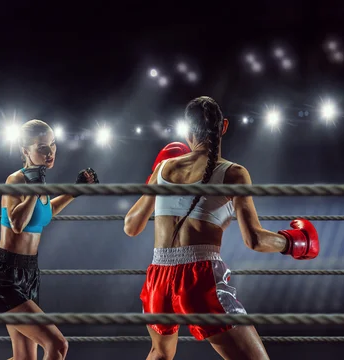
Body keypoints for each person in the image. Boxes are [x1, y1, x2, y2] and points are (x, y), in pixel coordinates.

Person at [124, 96, 319, 360]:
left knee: (160, 354)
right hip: (199, 278)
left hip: (158, 279)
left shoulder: (164, 167)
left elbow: (131, 226)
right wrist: (297, 242)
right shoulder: (233, 173)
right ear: (223, 126)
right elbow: (254, 240)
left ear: (187, 130)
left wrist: (154, 181)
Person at [0, 119, 99, 360]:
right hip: (5, 277)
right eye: (42, 147)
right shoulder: (16, 180)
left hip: (29, 274)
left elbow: (45, 214)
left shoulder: (39, 183)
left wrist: (74, 191)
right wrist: (35, 188)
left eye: (53, 145)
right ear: (26, 151)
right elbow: (17, 223)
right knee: (57, 345)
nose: (50, 152)